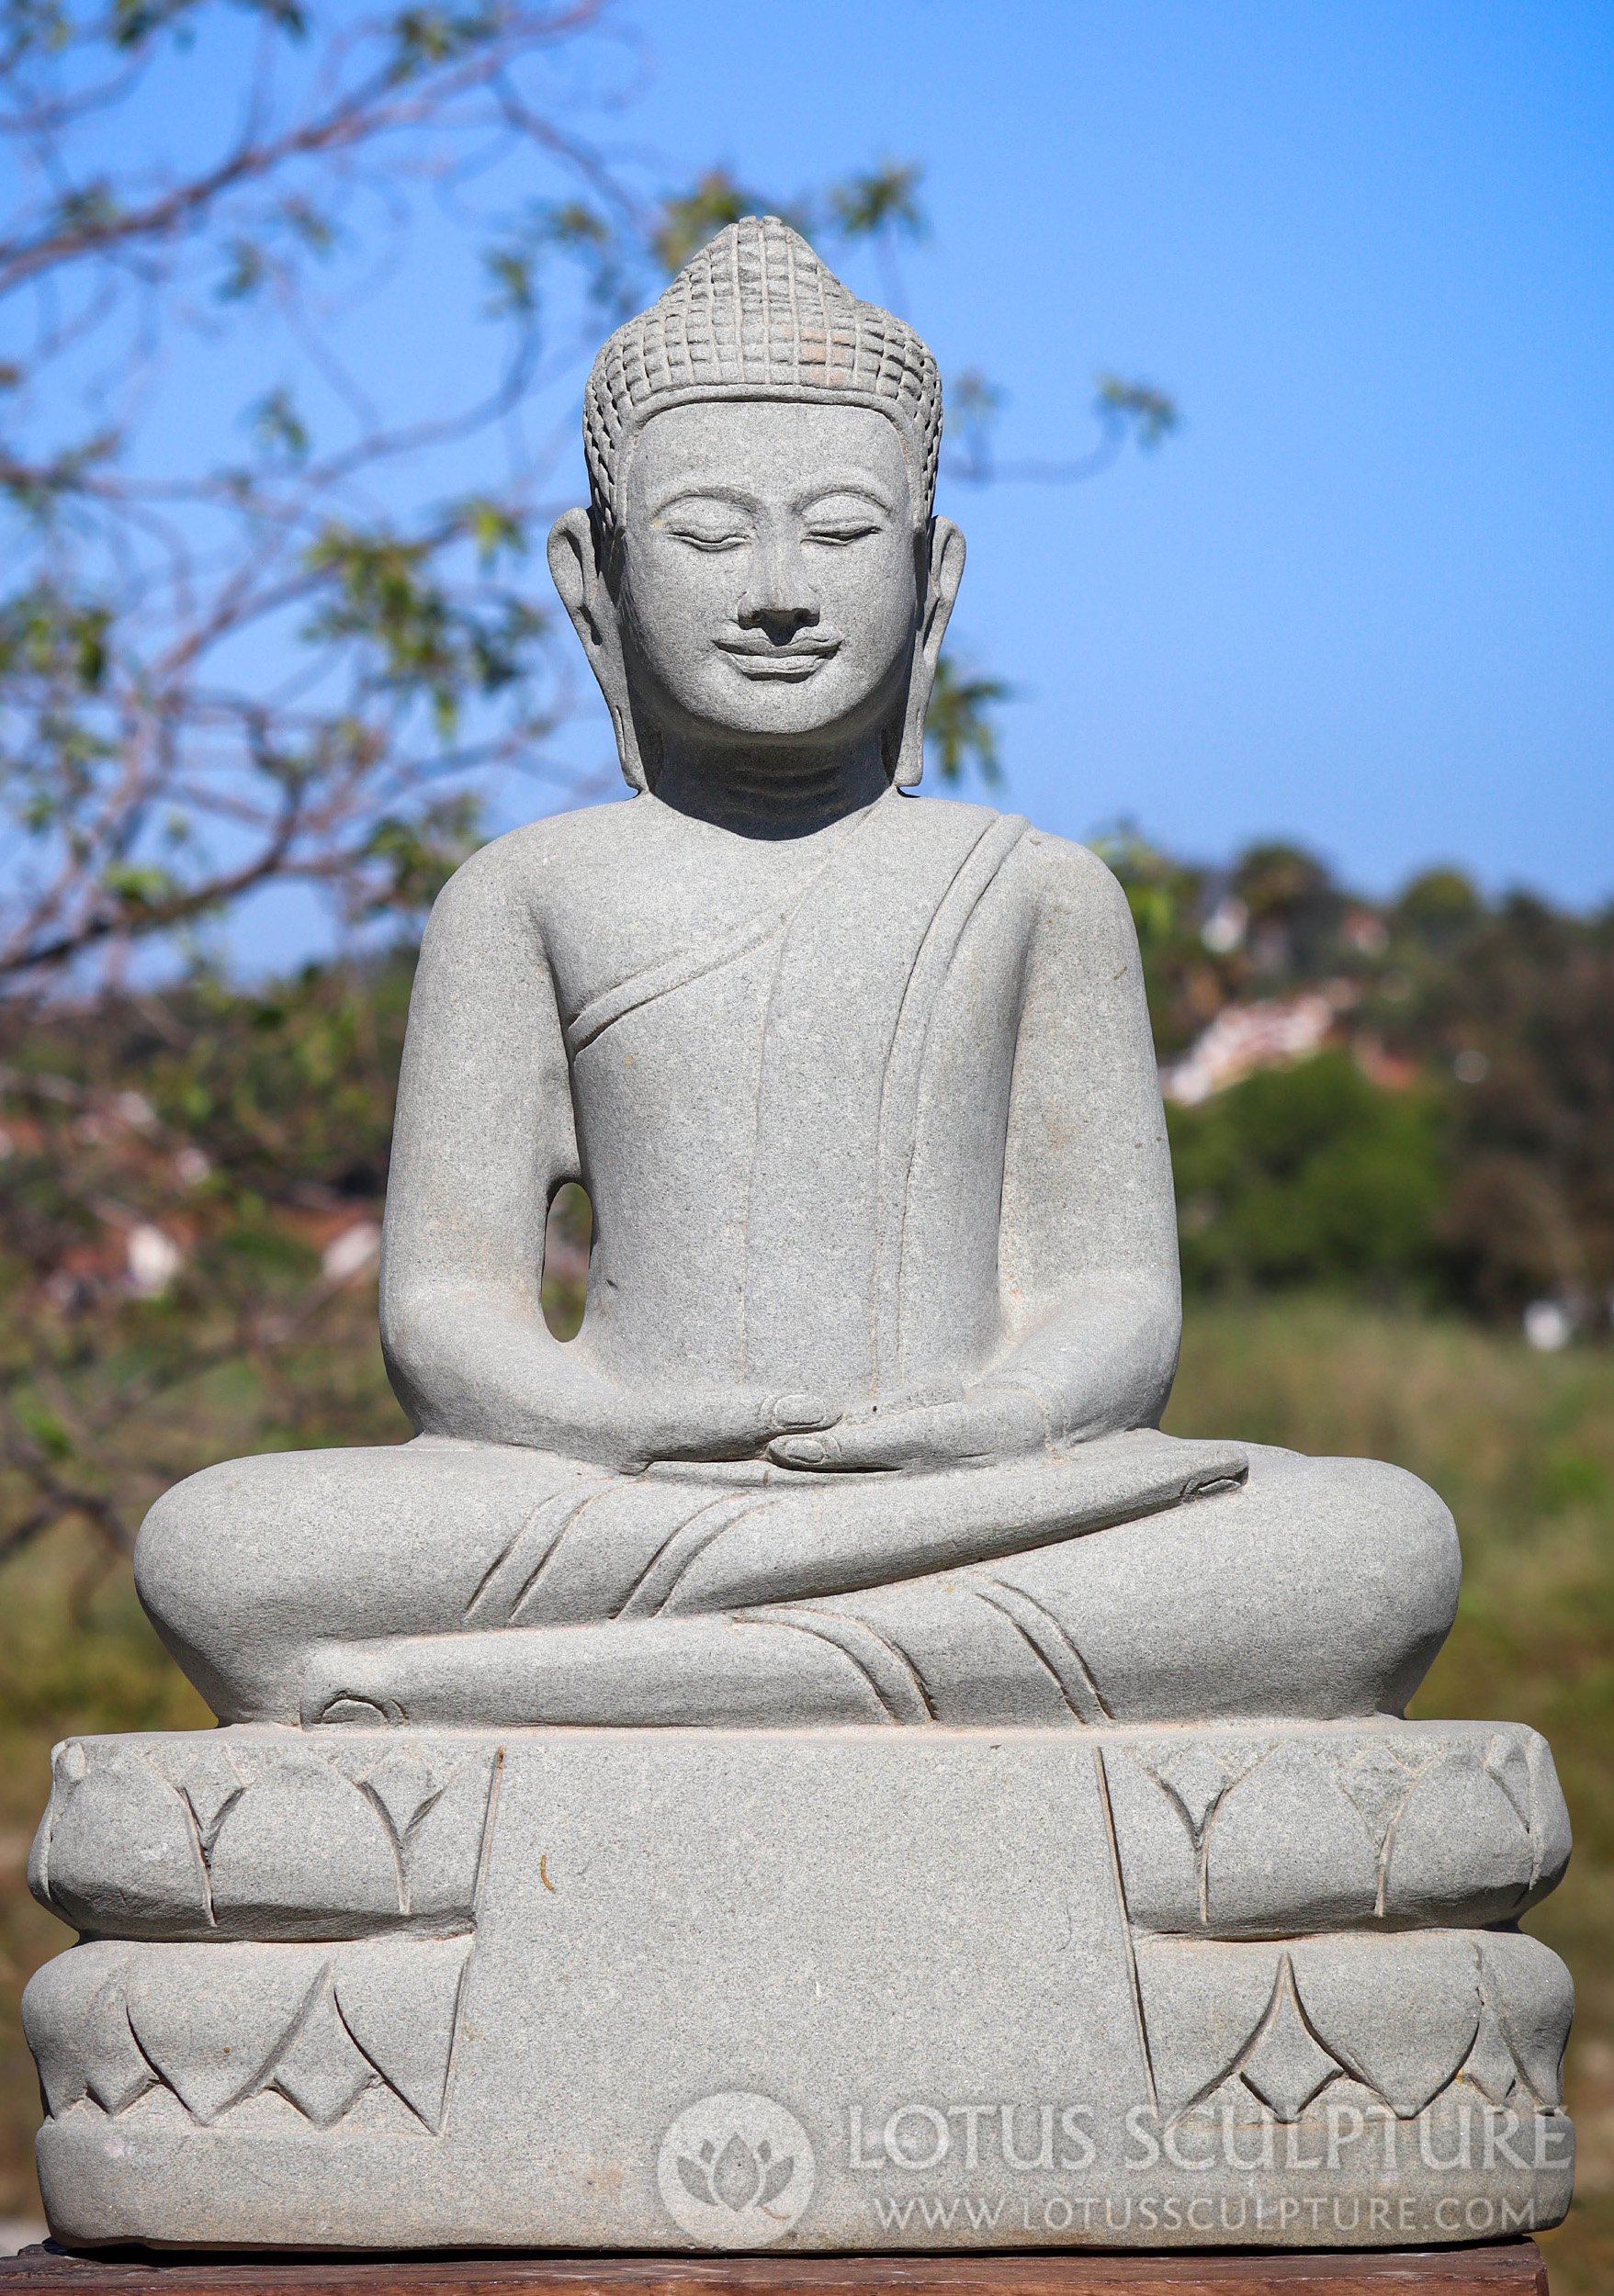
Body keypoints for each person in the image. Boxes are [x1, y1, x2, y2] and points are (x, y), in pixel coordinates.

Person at [136, 219, 1458, 1732]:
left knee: (1369, 1549)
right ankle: (814, 1672)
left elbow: (1109, 1293)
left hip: (975, 1505)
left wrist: (997, 1427)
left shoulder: (1034, 893)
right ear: (596, 576)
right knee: (222, 1547)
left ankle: (550, 1692)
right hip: (624, 1501)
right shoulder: (525, 894)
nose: (777, 591)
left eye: (837, 532)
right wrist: (618, 1427)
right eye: (706, 535)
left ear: (932, 571)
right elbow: (446, 1309)